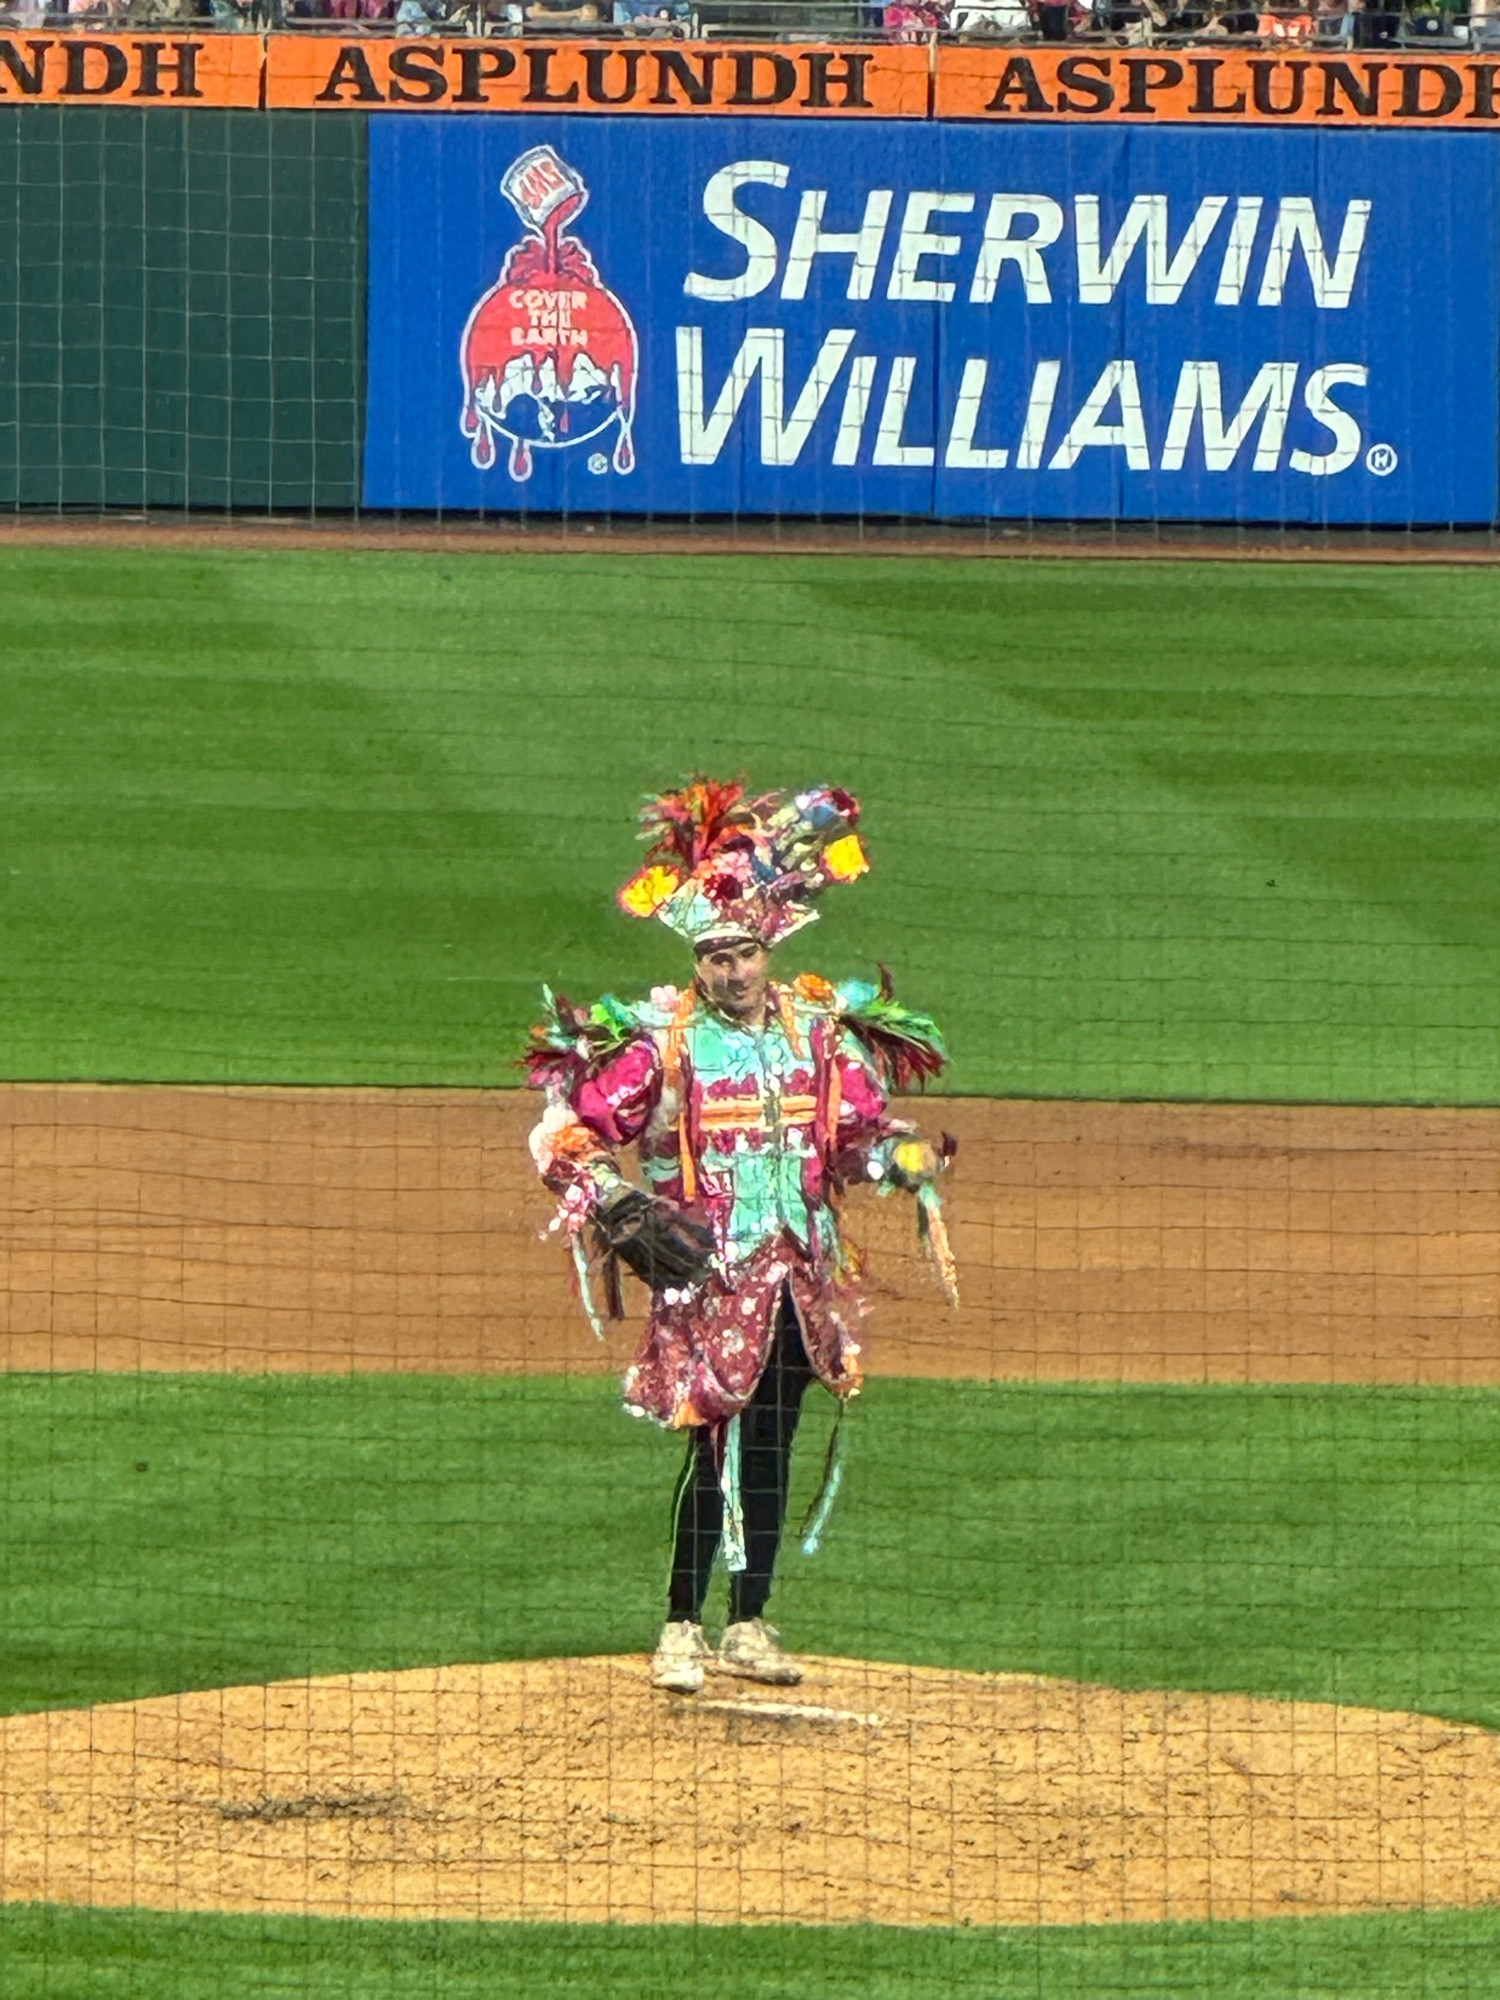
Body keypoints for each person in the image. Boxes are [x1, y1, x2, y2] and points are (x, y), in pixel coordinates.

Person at [524, 778, 956, 1695]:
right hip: (707, 1274)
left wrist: (901, 1161)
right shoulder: (663, 1044)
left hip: (801, 1273)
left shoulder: (818, 1038)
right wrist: (612, 1201)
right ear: (698, 960)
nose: (730, 971)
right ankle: (681, 1624)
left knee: (772, 1442)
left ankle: (749, 1620)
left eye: (744, 953)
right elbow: (567, 1130)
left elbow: (852, 1140)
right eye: (715, 956)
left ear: (769, 950)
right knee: (712, 1440)